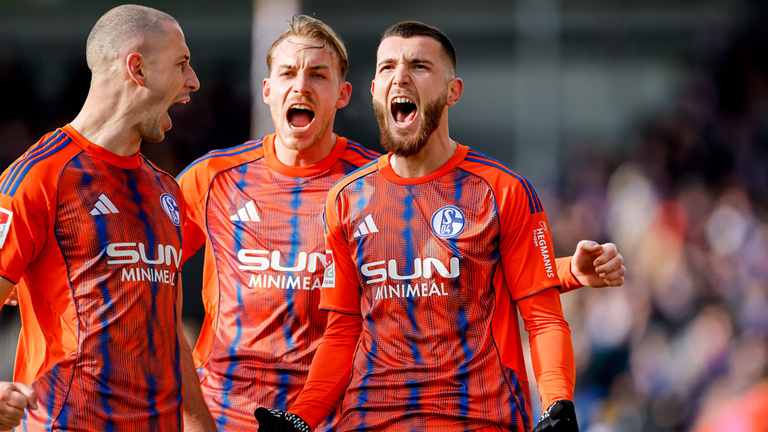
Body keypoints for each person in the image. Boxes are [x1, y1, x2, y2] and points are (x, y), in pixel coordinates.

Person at [179, 15, 622, 432]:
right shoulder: (217, 178)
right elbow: (147, 265)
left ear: (345, 93)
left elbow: (456, 268)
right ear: (266, 89)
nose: (301, 86)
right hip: (231, 410)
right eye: (288, 73)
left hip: (366, 414)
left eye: (318, 75)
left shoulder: (383, 188)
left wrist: (564, 272)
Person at [0, 5, 216, 431]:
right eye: (181, 64)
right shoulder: (38, 177)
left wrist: (201, 426)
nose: (193, 81)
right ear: (137, 68)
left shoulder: (166, 191)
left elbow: (169, 333)